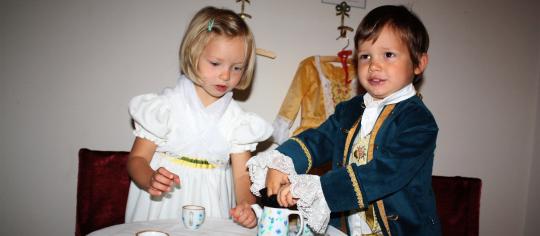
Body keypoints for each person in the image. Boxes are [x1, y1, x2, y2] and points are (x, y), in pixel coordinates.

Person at [247, 5, 441, 235]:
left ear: (419, 63)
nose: (374, 65)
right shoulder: (349, 110)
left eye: (388, 55)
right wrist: (283, 161)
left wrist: (321, 189)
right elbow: (318, 140)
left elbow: (384, 173)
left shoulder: (419, 122)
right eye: (365, 56)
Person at [124, 6, 272, 229]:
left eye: (237, 67)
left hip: (212, 209)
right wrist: (150, 178)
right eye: (215, 63)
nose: (226, 75)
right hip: (161, 205)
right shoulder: (165, 107)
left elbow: (242, 178)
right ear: (193, 54)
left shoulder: (238, 121)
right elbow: (137, 160)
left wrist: (247, 206)